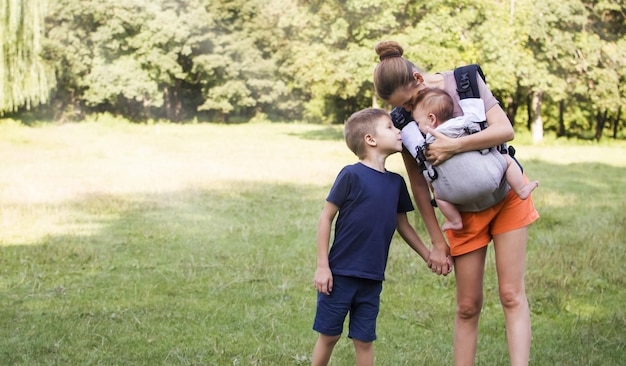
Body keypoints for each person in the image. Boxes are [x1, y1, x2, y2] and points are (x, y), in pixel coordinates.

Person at [373, 40, 540, 366]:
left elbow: (505, 130)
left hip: (505, 196)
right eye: (399, 108)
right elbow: (420, 184)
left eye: (408, 103)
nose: (405, 113)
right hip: (461, 215)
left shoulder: (465, 82)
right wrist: (436, 240)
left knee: (510, 294)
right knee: (466, 306)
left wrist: (455, 146)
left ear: (419, 80)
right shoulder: (403, 119)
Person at [312, 108, 436, 366]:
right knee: (330, 335)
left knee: (364, 339)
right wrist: (323, 266)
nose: (399, 131)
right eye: (390, 127)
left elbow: (403, 225)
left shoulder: (396, 183)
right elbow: (326, 218)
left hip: (372, 277)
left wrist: (428, 255)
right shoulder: (350, 175)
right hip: (340, 274)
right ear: (371, 139)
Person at [407, 87, 539, 231]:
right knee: (507, 160)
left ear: (432, 119)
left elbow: (418, 150)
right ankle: (521, 189)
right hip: (490, 179)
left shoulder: (427, 142)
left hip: (454, 195)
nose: (419, 127)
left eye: (418, 123)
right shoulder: (463, 123)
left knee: (438, 195)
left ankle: (455, 220)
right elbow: (475, 110)